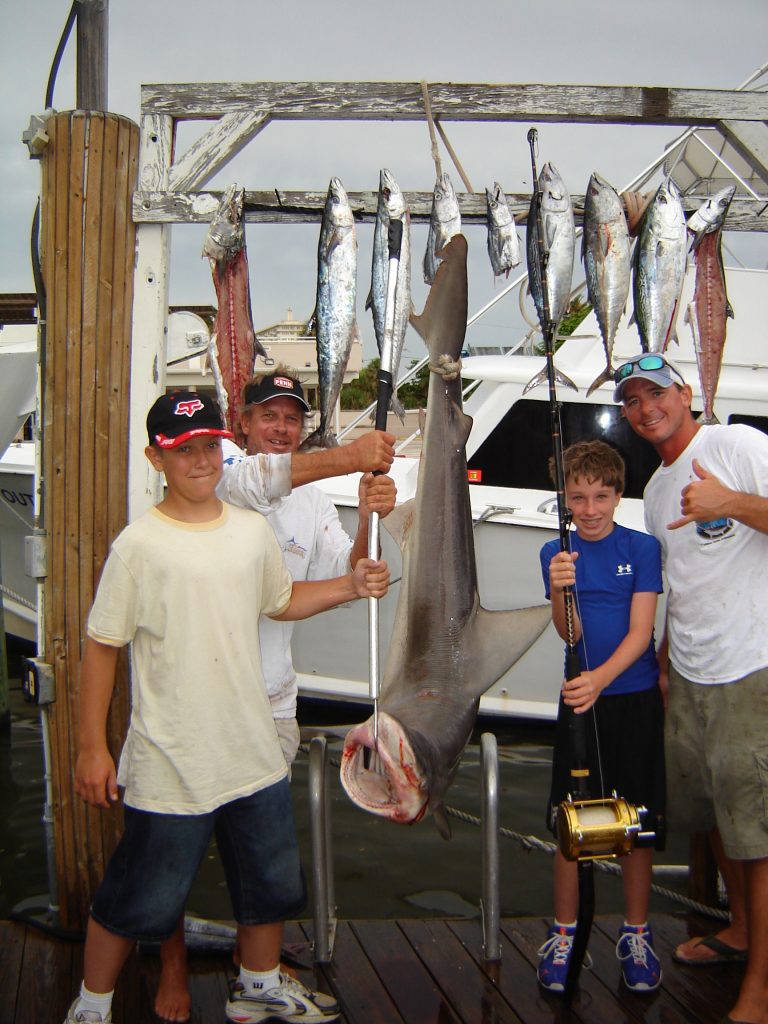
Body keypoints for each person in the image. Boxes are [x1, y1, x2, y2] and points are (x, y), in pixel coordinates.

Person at [63, 390, 390, 1024]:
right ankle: (92, 1003)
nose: (201, 460)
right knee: (137, 893)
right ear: (157, 459)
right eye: (184, 450)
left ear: (223, 446)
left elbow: (281, 601)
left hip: (254, 746)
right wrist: (91, 747)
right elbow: (101, 648)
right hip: (171, 753)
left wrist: (351, 583)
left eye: (209, 446)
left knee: (268, 883)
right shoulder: (138, 546)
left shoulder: (248, 533)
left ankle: (260, 986)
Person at [155, 368, 397, 1022]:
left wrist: (373, 519)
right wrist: (351, 456)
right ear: (244, 421)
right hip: (196, 702)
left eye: (292, 417)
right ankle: (170, 971)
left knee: (263, 854)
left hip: (270, 703)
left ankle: (257, 979)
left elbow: (347, 577)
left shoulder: (315, 501)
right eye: (269, 415)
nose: (281, 427)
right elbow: (258, 480)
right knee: (174, 850)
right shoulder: (219, 467)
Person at [615, 352, 768, 1024]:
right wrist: (668, 664)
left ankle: (760, 987)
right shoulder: (652, 492)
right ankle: (739, 930)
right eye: (633, 400)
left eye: (658, 393)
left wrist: (728, 502)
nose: (647, 408)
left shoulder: (735, 444)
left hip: (750, 668)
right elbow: (682, 586)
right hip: (693, 674)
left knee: (757, 833)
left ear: (685, 392)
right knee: (712, 818)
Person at [537, 440, 665, 994]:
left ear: (618, 495)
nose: (589, 510)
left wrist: (599, 681)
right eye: (579, 497)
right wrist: (560, 590)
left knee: (637, 825)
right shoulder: (554, 553)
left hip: (629, 699)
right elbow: (570, 634)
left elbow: (642, 634)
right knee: (572, 821)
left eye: (601, 497)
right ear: (565, 498)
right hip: (578, 704)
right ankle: (565, 933)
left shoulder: (643, 548)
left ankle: (635, 933)